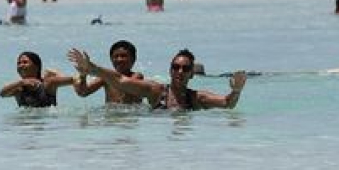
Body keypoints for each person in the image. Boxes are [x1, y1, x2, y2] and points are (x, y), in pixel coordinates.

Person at [68, 48, 246, 111]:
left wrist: (236, 91)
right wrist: (92, 68)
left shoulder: (197, 98)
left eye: (185, 68)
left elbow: (227, 103)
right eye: (176, 67)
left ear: (192, 73)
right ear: (170, 70)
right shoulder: (156, 91)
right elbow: (120, 80)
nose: (180, 71)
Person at [73, 40, 145, 104]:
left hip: (131, 116)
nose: (119, 59)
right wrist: (83, 75)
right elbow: (83, 93)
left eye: (123, 56)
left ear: (133, 59)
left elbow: (125, 91)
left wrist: (95, 69)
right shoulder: (106, 77)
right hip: (111, 117)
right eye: (116, 56)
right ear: (111, 59)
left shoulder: (137, 76)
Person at [0, 51, 76, 107]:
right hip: (24, 126)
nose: (21, 65)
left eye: (25, 62)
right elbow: (2, 94)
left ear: (36, 66)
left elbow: (74, 80)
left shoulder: (48, 83)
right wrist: (21, 82)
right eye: (18, 63)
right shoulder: (18, 88)